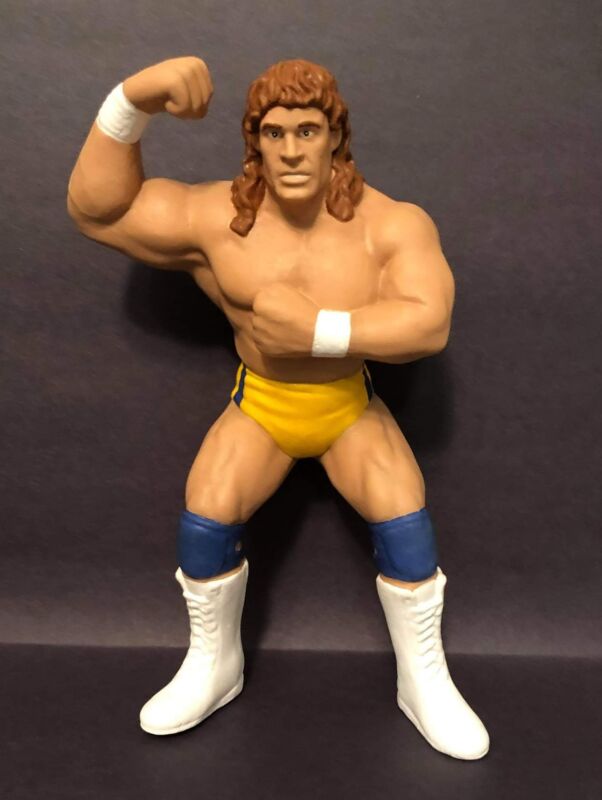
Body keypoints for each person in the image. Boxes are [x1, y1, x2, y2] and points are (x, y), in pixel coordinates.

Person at [67, 56, 489, 759]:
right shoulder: (218, 219)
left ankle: (424, 677)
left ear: (336, 137)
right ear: (254, 142)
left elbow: (428, 323)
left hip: (345, 404)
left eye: (308, 130)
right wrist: (129, 101)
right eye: (274, 132)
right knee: (206, 512)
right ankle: (214, 663)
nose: (292, 149)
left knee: (405, 520)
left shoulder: (388, 223)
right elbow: (99, 210)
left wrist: (321, 331)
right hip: (262, 404)